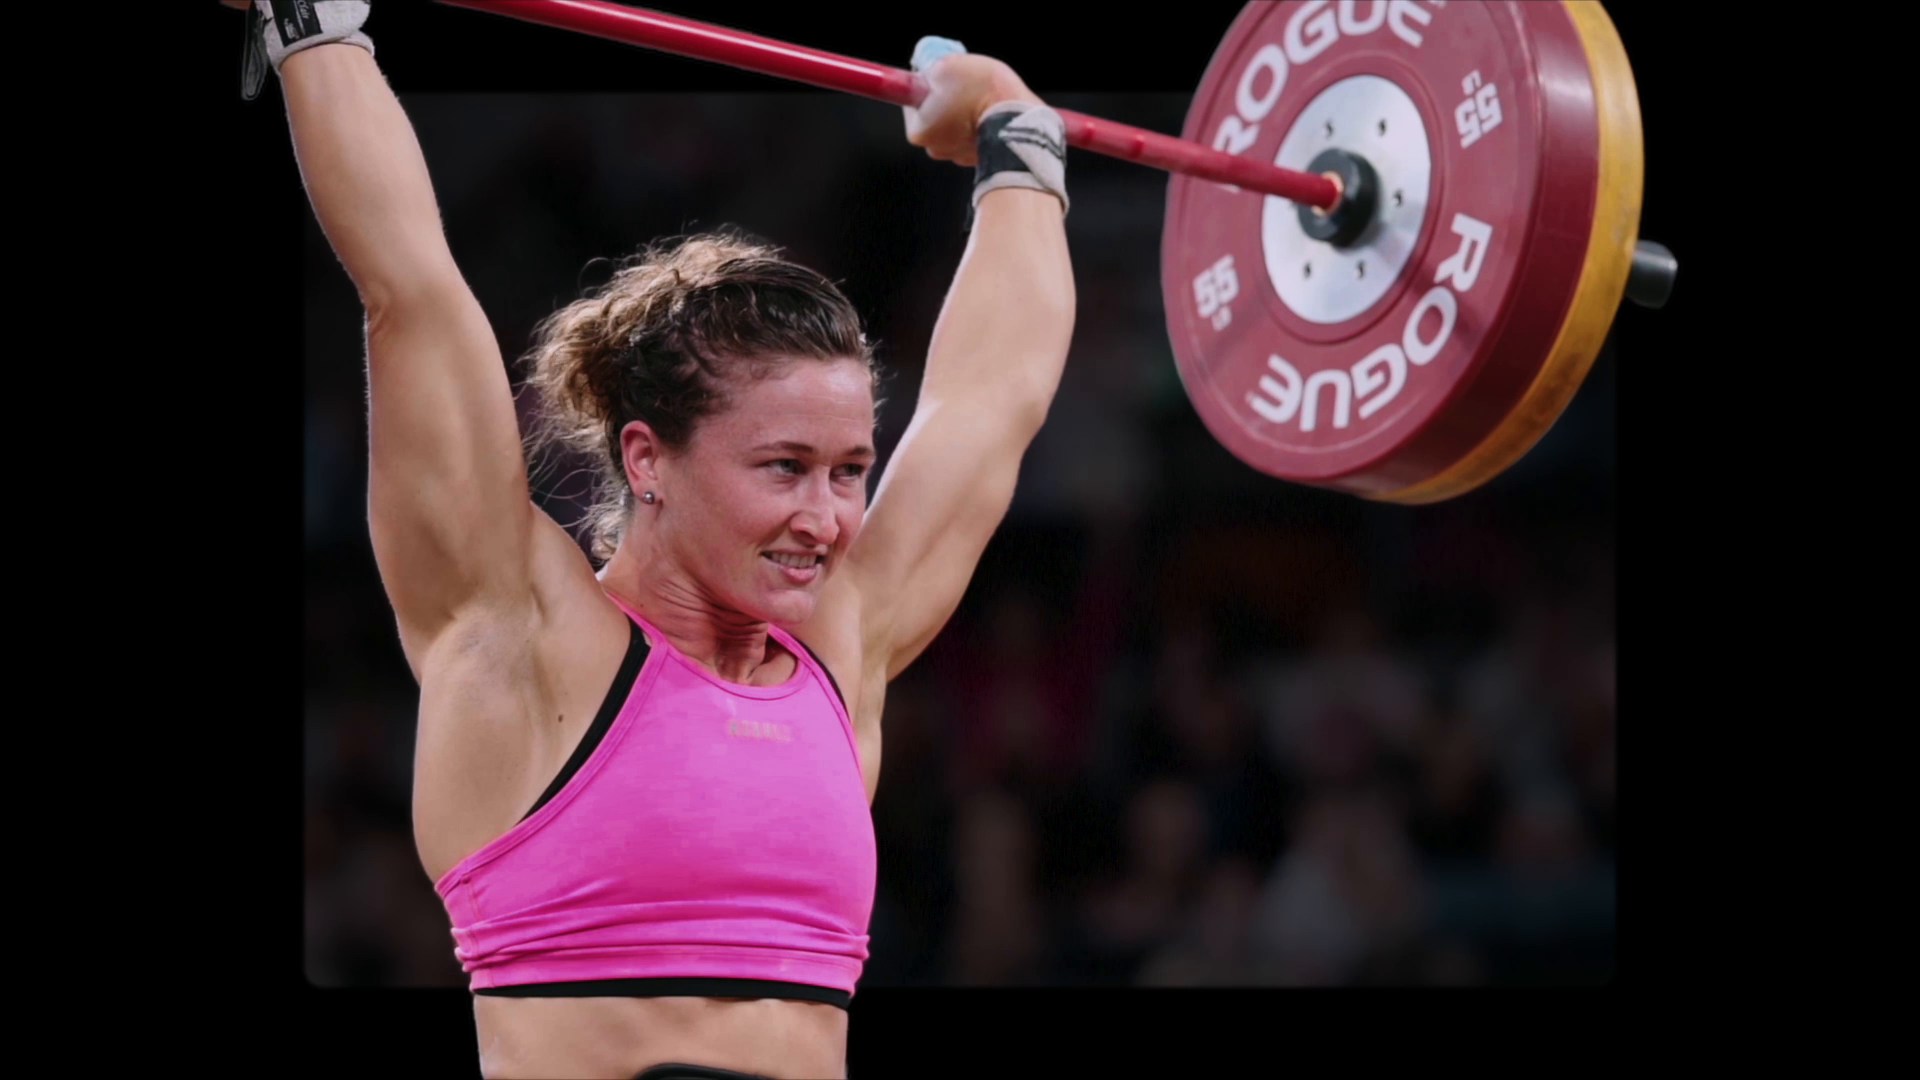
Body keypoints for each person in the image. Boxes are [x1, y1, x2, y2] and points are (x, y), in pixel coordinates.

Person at [239, 0, 1075, 1076]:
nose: (825, 519)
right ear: (647, 460)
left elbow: (992, 398)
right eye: (783, 467)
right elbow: (409, 286)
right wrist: (314, 26)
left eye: (849, 471)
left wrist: (1017, 139)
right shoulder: (519, 633)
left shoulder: (841, 645)